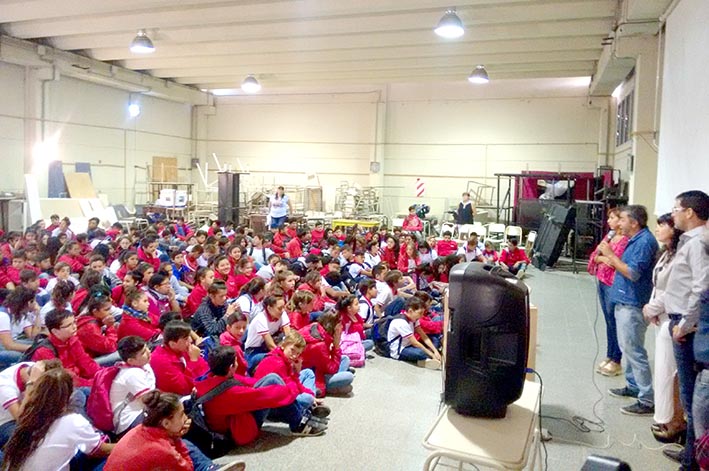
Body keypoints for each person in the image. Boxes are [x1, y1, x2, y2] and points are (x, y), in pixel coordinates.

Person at [661, 190, 709, 469]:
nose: (673, 213)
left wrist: (684, 324)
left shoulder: (698, 244)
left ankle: (692, 460)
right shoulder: (689, 242)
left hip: (687, 326)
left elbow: (701, 288)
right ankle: (691, 453)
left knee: (694, 400)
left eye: (677, 208)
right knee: (691, 397)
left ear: (690, 212)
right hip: (682, 321)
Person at [196, 346, 326, 447]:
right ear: (231, 367)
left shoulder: (212, 378)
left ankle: (301, 415)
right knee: (276, 385)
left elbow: (249, 382)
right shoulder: (230, 393)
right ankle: (298, 422)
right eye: (235, 363)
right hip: (238, 432)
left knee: (273, 379)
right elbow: (270, 395)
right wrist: (293, 384)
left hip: (238, 415)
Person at [598, 205, 658, 416]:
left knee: (634, 349)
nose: (618, 223)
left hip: (633, 303)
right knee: (627, 346)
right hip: (623, 299)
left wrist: (610, 256)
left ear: (634, 222)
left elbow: (632, 273)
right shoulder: (635, 239)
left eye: (622, 219)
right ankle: (633, 385)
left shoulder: (644, 242)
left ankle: (647, 398)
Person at [1, 368, 113, 471]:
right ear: (70, 394)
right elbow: (101, 450)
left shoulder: (29, 417)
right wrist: (128, 441)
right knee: (112, 459)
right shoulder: (73, 421)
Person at [104, 389, 243, 471]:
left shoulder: (142, 429)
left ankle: (209, 468)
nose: (186, 417)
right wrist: (176, 438)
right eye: (181, 414)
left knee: (186, 444)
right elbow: (187, 467)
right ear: (166, 422)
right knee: (183, 446)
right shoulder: (161, 450)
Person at [642, 213, 685, 442]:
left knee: (669, 373)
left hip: (673, 316)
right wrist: (652, 307)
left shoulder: (681, 256)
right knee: (663, 371)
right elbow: (658, 285)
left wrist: (652, 308)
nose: (657, 229)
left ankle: (673, 421)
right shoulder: (666, 253)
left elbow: (674, 291)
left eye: (662, 225)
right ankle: (667, 417)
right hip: (661, 314)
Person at [588, 207, 629, 377]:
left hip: (613, 284)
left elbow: (616, 262)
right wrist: (602, 257)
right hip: (602, 281)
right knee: (608, 322)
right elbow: (594, 256)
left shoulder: (625, 241)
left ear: (621, 220)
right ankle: (610, 355)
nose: (608, 221)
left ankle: (617, 359)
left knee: (614, 322)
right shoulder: (609, 237)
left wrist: (606, 257)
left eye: (612, 218)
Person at [254, 331, 325, 415]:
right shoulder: (277, 362)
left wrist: (297, 373)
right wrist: (297, 374)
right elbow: (291, 389)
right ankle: (310, 405)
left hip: (285, 391)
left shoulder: (285, 360)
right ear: (283, 346)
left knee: (308, 373)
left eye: (298, 353)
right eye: (292, 350)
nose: (294, 356)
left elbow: (293, 384)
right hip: (273, 404)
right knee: (307, 398)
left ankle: (312, 403)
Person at [0, 359, 62, 448]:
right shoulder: (4, 386)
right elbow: (21, 419)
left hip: (30, 411)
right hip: (6, 421)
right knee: (26, 439)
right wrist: (31, 386)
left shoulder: (35, 368)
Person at [110, 336, 155, 438]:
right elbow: (149, 400)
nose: (148, 352)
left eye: (146, 348)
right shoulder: (132, 374)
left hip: (141, 410)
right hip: (128, 420)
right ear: (130, 361)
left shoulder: (143, 365)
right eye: (143, 353)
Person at [150, 321, 209, 396]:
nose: (190, 340)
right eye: (186, 339)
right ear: (173, 344)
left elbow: (207, 372)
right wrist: (194, 361)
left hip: (197, 390)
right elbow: (185, 389)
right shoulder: (160, 361)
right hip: (177, 399)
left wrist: (196, 358)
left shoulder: (182, 349)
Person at [387, 297, 442, 368]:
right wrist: (432, 354)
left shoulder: (414, 319)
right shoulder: (401, 322)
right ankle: (423, 359)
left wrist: (435, 351)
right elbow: (415, 343)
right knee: (421, 353)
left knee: (434, 339)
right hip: (400, 350)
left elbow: (423, 335)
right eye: (420, 313)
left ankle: (425, 359)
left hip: (409, 345)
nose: (422, 316)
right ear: (410, 311)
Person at [243, 295, 291, 370]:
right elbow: (270, 345)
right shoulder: (260, 319)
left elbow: (288, 335)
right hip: (254, 352)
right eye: (279, 308)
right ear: (269, 308)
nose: (282, 310)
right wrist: (285, 357)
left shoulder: (282, 314)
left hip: (267, 347)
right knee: (276, 360)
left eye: (283, 307)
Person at [0, 287, 42, 368]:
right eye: (34, 301)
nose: (36, 304)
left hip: (14, 341)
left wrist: (37, 314)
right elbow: (8, 345)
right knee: (24, 357)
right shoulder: (3, 316)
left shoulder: (22, 314)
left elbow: (33, 336)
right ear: (28, 303)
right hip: (3, 348)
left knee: (40, 342)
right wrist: (33, 349)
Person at [76, 293, 119, 366]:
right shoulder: (90, 328)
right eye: (107, 310)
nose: (110, 312)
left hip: (92, 355)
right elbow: (110, 348)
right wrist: (110, 327)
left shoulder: (88, 318)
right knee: (120, 356)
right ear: (95, 311)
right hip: (87, 363)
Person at [218, 312, 249, 376]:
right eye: (237, 327)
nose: (241, 331)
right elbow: (243, 367)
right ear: (228, 328)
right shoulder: (235, 348)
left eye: (244, 327)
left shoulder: (223, 337)